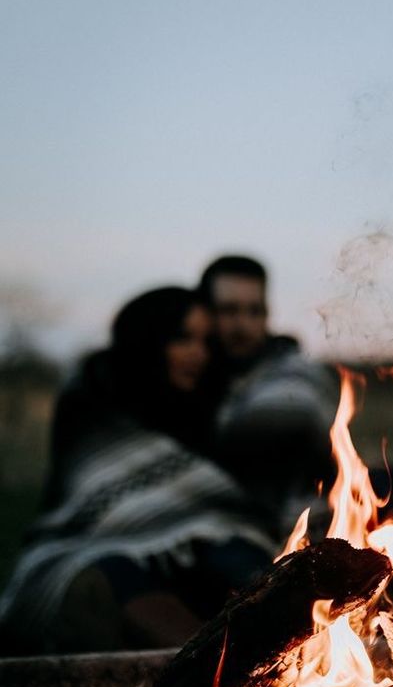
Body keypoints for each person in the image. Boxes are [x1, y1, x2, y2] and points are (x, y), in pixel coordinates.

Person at [0, 287, 278, 655]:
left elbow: (207, 499)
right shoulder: (93, 397)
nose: (200, 353)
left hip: (191, 544)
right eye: (183, 338)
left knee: (239, 557)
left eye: (206, 341)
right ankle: (213, 669)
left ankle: (289, 651)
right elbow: (96, 491)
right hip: (90, 539)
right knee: (117, 572)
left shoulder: (205, 405)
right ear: (149, 341)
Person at [199, 256, 337, 525]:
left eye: (255, 311)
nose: (242, 325)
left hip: (308, 521)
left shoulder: (295, 372)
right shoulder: (193, 382)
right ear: (205, 315)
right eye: (229, 311)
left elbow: (300, 417)